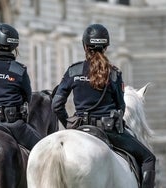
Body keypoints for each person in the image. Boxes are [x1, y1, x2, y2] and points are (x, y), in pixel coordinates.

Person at [52, 23, 156, 188]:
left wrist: (69, 123)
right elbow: (121, 108)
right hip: (108, 131)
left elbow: (56, 104)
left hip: (80, 127)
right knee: (149, 159)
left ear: (85, 46)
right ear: (106, 47)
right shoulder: (114, 73)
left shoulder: (73, 71)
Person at [0, 23, 42, 150]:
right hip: (13, 125)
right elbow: (27, 97)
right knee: (44, 150)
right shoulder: (19, 70)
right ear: (13, 46)